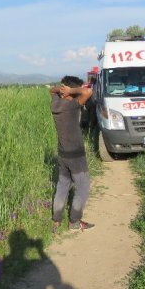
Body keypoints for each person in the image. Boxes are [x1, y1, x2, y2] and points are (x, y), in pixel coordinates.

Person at [50, 76, 94, 232]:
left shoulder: (55, 103)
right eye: (75, 91)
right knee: (83, 186)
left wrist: (62, 90)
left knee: (62, 185)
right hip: (76, 155)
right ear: (70, 91)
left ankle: (56, 220)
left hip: (62, 154)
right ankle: (74, 221)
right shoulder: (72, 106)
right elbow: (88, 91)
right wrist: (72, 90)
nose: (77, 94)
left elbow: (51, 90)